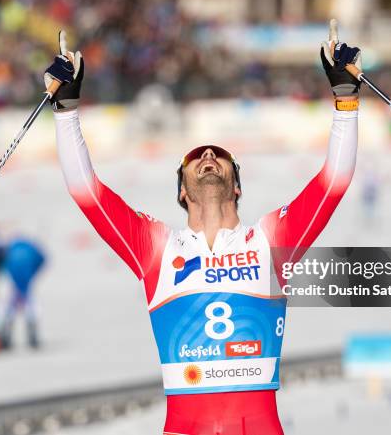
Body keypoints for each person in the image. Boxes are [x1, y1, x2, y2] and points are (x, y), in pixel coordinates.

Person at [45, 21, 360, 434]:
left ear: (237, 184)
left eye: (220, 155)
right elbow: (85, 190)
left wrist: (345, 98)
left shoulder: (269, 240)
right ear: (182, 191)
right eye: (197, 156)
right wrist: (66, 110)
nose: (209, 154)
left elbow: (334, 181)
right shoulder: (156, 247)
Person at [0, 236, 46, 350]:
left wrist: (8, 275)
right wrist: (33, 274)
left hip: (13, 274)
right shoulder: (32, 248)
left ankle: (6, 337)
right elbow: (43, 259)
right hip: (26, 275)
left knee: (10, 305)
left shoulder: (10, 248)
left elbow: (1, 262)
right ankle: (32, 336)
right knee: (30, 303)